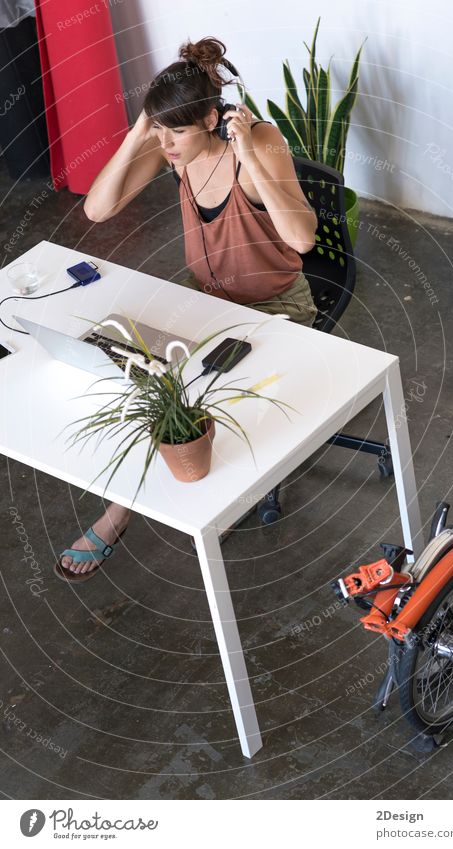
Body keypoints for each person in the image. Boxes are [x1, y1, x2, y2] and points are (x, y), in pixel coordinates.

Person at [55, 36, 318, 582]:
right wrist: (140, 131)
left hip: (275, 309)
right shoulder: (171, 143)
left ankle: (132, 515)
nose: (166, 144)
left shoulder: (259, 142)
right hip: (204, 301)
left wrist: (249, 155)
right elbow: (98, 209)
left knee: (188, 398)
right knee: (140, 381)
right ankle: (128, 505)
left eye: (176, 131)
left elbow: (302, 239)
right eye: (159, 130)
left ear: (211, 118)